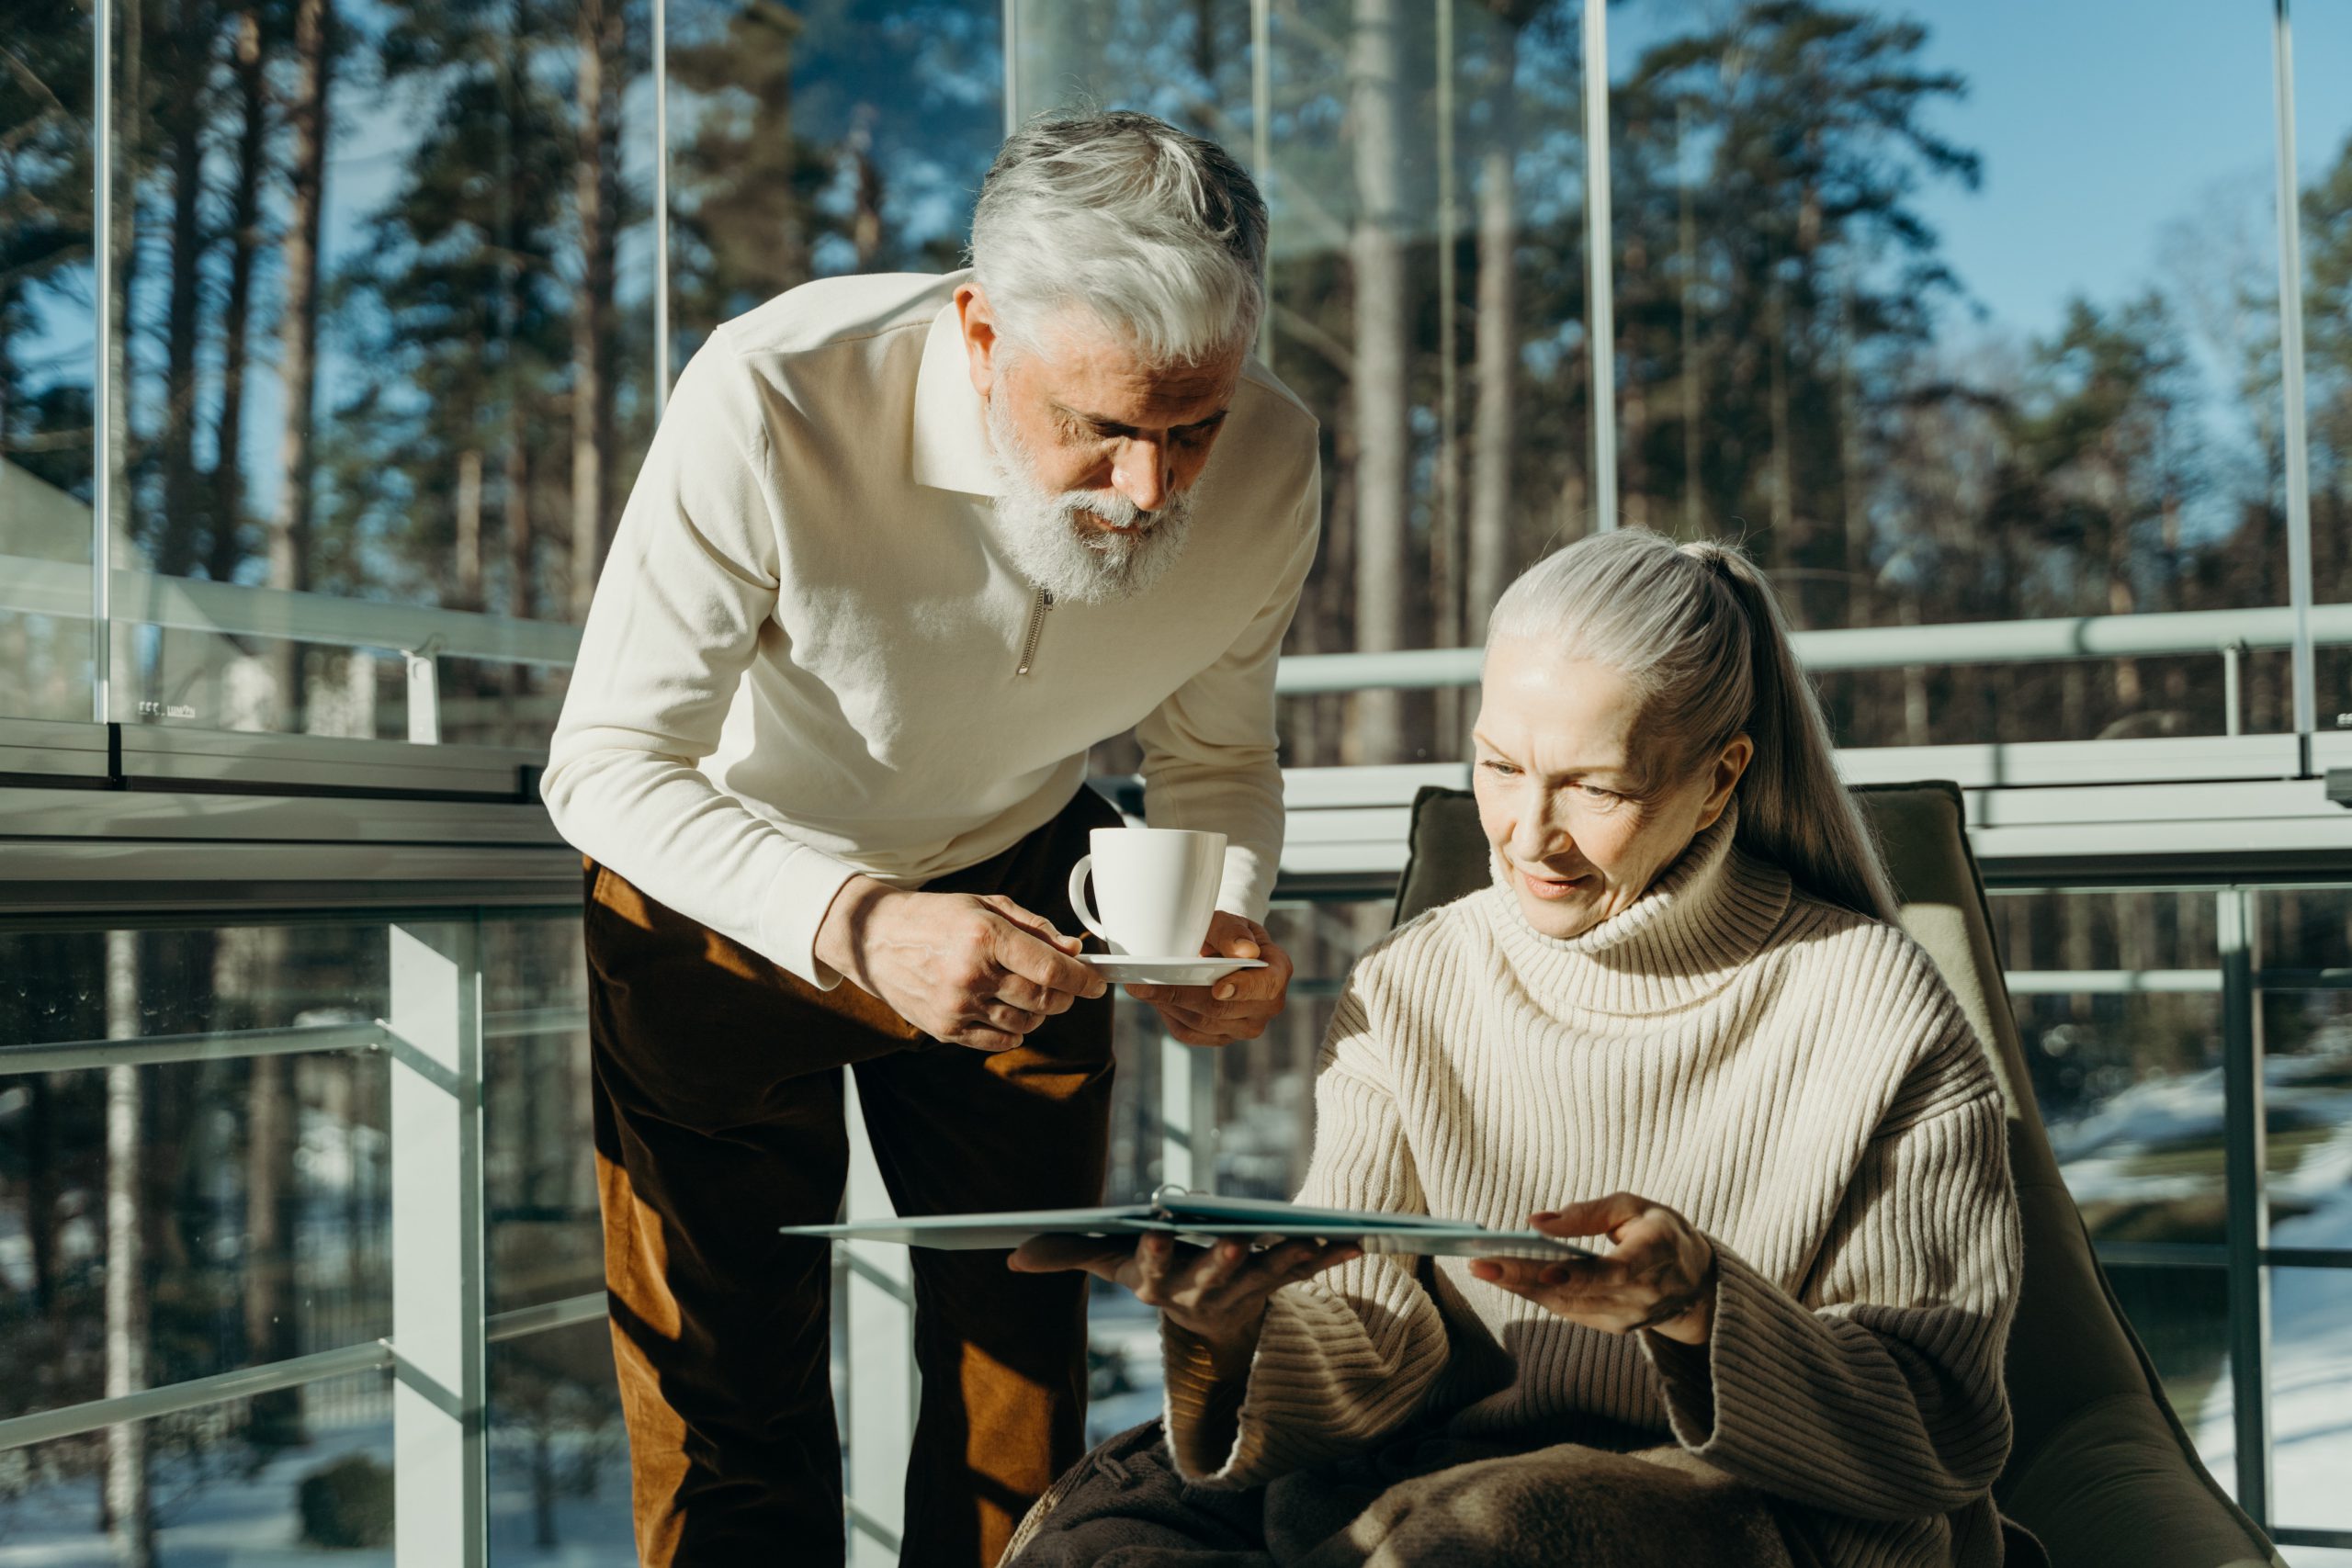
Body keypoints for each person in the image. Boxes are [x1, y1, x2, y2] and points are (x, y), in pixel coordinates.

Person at [540, 110, 1321, 1568]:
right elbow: (604, 763)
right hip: (723, 891)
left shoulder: (1274, 456)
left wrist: (1218, 915)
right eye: (1098, 427)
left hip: (1032, 877)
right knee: (730, 1402)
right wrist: (860, 918)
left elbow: (1215, 754)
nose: (1151, 492)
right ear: (978, 330)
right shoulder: (772, 388)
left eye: (1191, 426)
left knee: (1018, 1388)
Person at [1009, 529, 2026, 1568]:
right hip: (1427, 1489)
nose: (1527, 835)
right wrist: (1228, 1336)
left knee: (1477, 1537)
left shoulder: (1872, 1002)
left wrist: (1698, 1308)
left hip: (1754, 1515)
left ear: (1720, 780)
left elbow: (1939, 1432)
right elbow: (1373, 1332)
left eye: (1596, 788)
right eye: (1499, 766)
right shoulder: (1412, 982)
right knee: (1096, 1543)